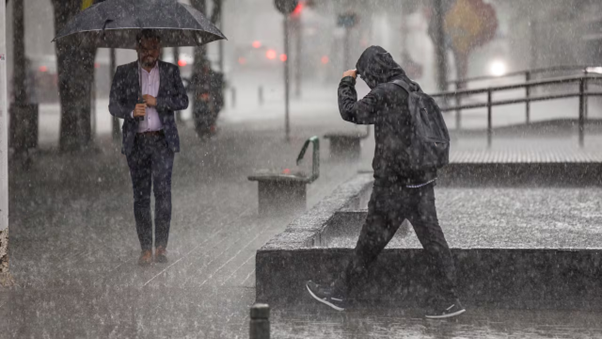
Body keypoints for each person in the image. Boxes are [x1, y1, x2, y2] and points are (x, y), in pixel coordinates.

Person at [305, 46, 464, 319]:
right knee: (434, 240)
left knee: (369, 242)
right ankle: (449, 300)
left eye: (367, 76)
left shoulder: (385, 93)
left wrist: (347, 82)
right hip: (420, 181)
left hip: (393, 185)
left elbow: (351, 112)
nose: (367, 82)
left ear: (373, 71)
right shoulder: (410, 87)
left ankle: (339, 294)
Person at [109, 30, 189, 266]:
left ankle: (161, 247)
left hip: (163, 142)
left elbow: (183, 101)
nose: (149, 53)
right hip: (137, 143)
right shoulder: (124, 73)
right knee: (141, 197)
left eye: (153, 49)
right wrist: (132, 111)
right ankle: (145, 248)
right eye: (145, 48)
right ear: (137, 48)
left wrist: (158, 102)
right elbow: (113, 105)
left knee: (163, 194)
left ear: (160, 48)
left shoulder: (170, 71)